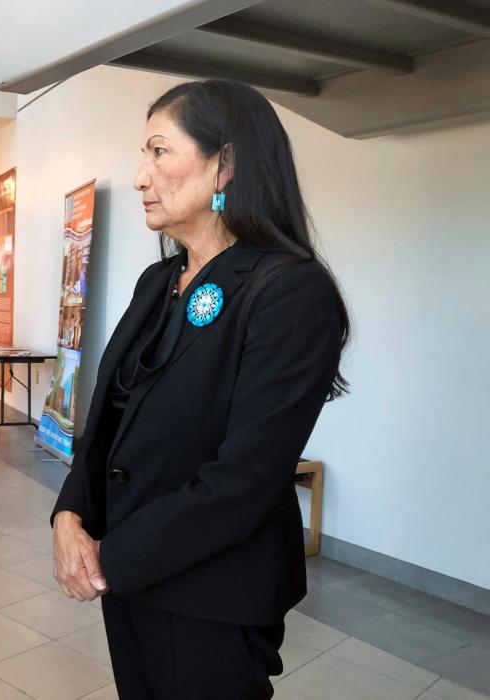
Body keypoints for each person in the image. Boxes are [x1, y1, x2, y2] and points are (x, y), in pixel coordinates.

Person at [51, 80, 350, 699]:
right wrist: (69, 515)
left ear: (227, 164)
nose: (139, 176)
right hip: (131, 577)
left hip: (211, 593)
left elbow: (242, 479)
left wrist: (110, 557)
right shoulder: (158, 281)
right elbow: (106, 419)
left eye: (159, 151)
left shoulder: (289, 292)